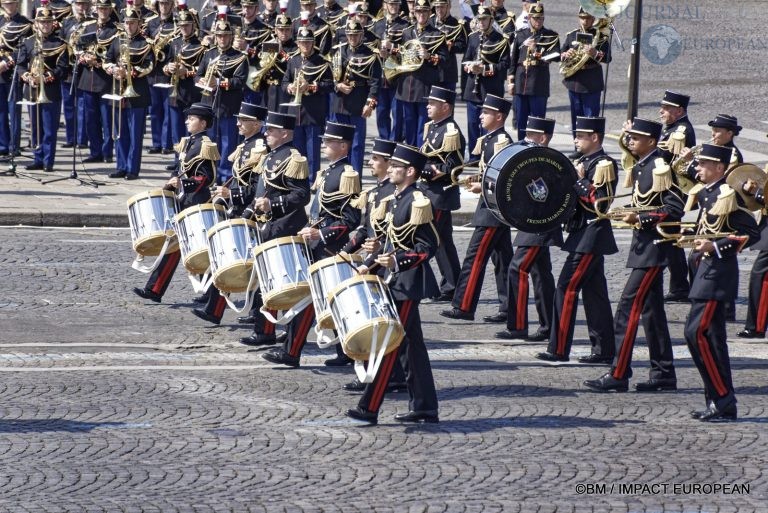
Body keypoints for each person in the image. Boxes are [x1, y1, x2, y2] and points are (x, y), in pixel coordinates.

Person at [583, 118, 683, 390]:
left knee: (627, 309)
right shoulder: (643, 166)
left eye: (636, 138)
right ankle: (664, 374)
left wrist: (640, 218)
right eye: (630, 137)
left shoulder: (659, 167)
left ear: (651, 141)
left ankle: (618, 373)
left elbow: (674, 208)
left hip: (654, 250)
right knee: (652, 313)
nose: (630, 142)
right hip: (644, 249)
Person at [346, 143, 440, 425]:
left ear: (410, 171)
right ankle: (424, 407)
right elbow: (392, 241)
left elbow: (427, 246)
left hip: (407, 283)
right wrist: (373, 256)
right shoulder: (397, 198)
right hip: (392, 280)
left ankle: (369, 408)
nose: (391, 169)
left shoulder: (418, 201)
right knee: (411, 347)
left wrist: (399, 261)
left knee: (390, 341)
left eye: (397, 166)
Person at [261, 121, 361, 368]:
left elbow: (350, 220)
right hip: (316, 243)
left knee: (324, 300)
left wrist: (321, 234)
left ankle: (296, 352)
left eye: (329, 142)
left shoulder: (347, 175)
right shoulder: (329, 171)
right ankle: (305, 351)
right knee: (317, 299)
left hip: (330, 247)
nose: (324, 145)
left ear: (343, 145)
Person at [682, 144, 759, 421]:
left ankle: (722, 398)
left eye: (703, 165)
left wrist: (714, 247)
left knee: (695, 334)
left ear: (719, 168)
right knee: (713, 340)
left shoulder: (729, 195)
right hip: (704, 274)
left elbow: (748, 233)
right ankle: (719, 402)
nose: (698, 168)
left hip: (717, 275)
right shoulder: (707, 193)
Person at [534, 117, 617, 364]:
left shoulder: (604, 164)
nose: (575, 140)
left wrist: (580, 180)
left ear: (595, 137)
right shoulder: (582, 161)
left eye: (581, 136)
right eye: (575, 135)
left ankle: (558, 348)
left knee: (566, 288)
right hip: (581, 233)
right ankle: (603, 350)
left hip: (591, 234)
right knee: (596, 295)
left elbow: (600, 203)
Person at [190, 103, 270, 327]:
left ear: (256, 123)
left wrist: (231, 193)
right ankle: (214, 310)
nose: (237, 124)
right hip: (238, 208)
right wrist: (224, 195)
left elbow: (256, 187)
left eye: (243, 121)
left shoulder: (259, 148)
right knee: (225, 260)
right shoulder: (247, 145)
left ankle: (255, 312)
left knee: (252, 265)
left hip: (252, 212)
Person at [340, 137, 408, 393]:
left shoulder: (393, 194)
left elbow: (388, 238)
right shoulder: (375, 191)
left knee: (378, 324)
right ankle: (391, 375)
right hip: (373, 263)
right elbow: (364, 229)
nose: (371, 162)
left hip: (383, 267)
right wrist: (345, 253)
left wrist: (369, 262)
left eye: (376, 159)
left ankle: (383, 377)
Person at [133, 103, 219, 303]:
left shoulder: (205, 145)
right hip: (183, 201)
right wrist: (170, 186)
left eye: (192, 118)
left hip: (197, 202)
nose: (187, 121)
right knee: (172, 247)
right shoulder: (188, 142)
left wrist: (183, 183)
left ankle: (209, 292)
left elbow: (207, 177)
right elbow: (179, 169)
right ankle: (154, 289)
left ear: (203, 123)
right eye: (188, 118)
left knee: (199, 249)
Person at [441, 94, 512, 323]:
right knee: (503, 261)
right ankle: (509, 307)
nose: (480, 116)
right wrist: (477, 179)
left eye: (486, 112)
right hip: (492, 208)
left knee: (475, 257)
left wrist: (481, 186)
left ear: (498, 116)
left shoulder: (500, 140)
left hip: (491, 211)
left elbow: (502, 176)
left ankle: (464, 305)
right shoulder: (490, 138)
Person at [508, 116, 561, 344]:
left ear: (543, 137)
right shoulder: (531, 159)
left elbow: (541, 195)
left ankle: (518, 325)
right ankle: (549, 325)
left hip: (540, 225)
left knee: (517, 268)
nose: (526, 138)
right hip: (531, 224)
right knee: (541, 275)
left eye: (531, 135)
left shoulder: (548, 162)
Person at [418, 86, 464, 302]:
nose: (428, 106)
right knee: (442, 242)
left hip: (439, 195)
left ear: (445, 107)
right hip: (429, 192)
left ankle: (429, 286)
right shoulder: (434, 127)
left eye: (433, 103)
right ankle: (452, 285)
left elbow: (454, 168)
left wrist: (435, 172)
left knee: (429, 240)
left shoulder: (450, 132)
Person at [382, 0, 448, 147]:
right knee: (409, 123)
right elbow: (401, 54)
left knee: (422, 126)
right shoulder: (407, 32)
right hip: (406, 86)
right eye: (419, 12)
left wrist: (429, 56)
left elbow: (445, 60)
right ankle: (409, 156)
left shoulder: (437, 35)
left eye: (424, 12)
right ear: (415, 13)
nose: (422, 15)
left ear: (429, 13)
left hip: (424, 85)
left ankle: (420, 157)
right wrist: (388, 50)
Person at [195, 10, 248, 184]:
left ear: (231, 37)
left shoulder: (240, 57)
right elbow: (198, 74)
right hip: (209, 105)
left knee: (227, 144)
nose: (222, 39)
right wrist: (202, 79)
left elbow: (240, 81)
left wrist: (218, 82)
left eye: (225, 36)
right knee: (209, 143)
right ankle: (208, 175)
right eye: (219, 36)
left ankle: (225, 177)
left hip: (228, 107)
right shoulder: (209, 54)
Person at [105, 4, 154, 180]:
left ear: (139, 24)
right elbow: (107, 60)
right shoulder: (116, 40)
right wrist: (112, 69)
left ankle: (133, 169)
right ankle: (121, 166)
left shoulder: (145, 43)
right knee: (120, 132)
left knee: (135, 134)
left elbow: (149, 65)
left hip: (137, 93)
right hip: (118, 91)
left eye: (132, 23)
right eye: (126, 22)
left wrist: (131, 72)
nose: (129, 26)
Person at [18, 6, 68, 173]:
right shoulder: (28, 42)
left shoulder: (59, 43)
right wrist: (26, 75)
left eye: (48, 22)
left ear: (53, 24)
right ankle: (37, 158)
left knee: (49, 128)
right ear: (36, 23)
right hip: (32, 89)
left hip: (50, 91)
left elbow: (62, 68)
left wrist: (47, 77)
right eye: (42, 22)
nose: (45, 25)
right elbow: (20, 64)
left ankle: (48, 161)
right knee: (35, 128)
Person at [281, 25, 334, 182]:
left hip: (313, 112)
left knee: (312, 151)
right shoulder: (293, 61)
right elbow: (285, 81)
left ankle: (312, 180)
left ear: (313, 43)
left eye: (308, 42)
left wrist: (312, 87)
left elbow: (330, 85)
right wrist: (290, 87)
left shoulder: (321, 62)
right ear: (298, 43)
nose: (305, 45)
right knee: (296, 149)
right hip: (296, 113)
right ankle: (298, 179)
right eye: (302, 42)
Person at [657, 90, 695, 303]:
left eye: (667, 108)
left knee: (671, 240)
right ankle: (679, 285)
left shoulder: (681, 130)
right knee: (670, 240)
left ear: (679, 110)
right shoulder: (672, 127)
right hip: (667, 190)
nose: (661, 111)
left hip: (672, 191)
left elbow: (665, 158)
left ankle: (680, 286)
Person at [330, 20, 381, 174]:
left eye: (356, 35)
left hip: (358, 102)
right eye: (350, 35)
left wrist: (370, 104)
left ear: (362, 35)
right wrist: (337, 85)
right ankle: (339, 177)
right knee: (338, 143)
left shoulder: (370, 54)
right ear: (346, 35)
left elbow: (375, 82)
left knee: (357, 145)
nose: (353, 38)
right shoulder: (338, 51)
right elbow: (329, 76)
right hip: (340, 103)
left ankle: (355, 178)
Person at [560, 7, 611, 159]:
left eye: (588, 18)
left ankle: (593, 149)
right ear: (578, 18)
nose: (585, 21)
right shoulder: (571, 35)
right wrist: (565, 54)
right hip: (574, 81)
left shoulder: (600, 36)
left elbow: (608, 58)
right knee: (576, 116)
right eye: (583, 18)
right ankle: (578, 147)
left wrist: (594, 53)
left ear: (593, 18)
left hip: (591, 81)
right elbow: (562, 54)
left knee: (590, 118)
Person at [461, 3, 509, 157]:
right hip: (473, 90)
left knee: (488, 126)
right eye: (479, 19)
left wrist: (485, 69)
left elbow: (504, 64)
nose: (481, 22)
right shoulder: (473, 38)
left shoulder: (500, 39)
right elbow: (466, 60)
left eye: (484, 19)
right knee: (473, 124)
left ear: (491, 20)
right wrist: (470, 67)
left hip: (490, 89)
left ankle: (486, 155)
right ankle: (474, 156)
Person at [507, 2, 559, 141]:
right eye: (535, 18)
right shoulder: (521, 34)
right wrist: (511, 81)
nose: (538, 21)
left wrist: (537, 51)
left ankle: (536, 149)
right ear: (529, 18)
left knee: (537, 122)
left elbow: (556, 55)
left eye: (541, 18)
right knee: (521, 121)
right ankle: (520, 148)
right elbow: (513, 59)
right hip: (521, 82)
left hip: (538, 84)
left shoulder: (550, 36)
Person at [164, 5, 205, 172]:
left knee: (191, 130)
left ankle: (190, 160)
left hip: (191, 93)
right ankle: (178, 160)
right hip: (175, 92)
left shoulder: (200, 45)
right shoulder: (174, 43)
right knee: (176, 131)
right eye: (181, 26)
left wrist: (185, 72)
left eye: (187, 26)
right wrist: (168, 68)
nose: (184, 29)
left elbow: (202, 69)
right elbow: (165, 64)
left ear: (193, 26)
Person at [77, 0, 117, 164]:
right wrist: (83, 56)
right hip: (88, 79)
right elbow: (78, 46)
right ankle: (95, 151)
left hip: (105, 80)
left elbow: (116, 53)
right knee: (90, 119)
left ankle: (107, 152)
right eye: (101, 8)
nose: (104, 11)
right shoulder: (88, 27)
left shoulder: (115, 29)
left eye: (106, 9)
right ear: (96, 9)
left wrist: (99, 62)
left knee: (107, 119)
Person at [370, 0, 407, 140]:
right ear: (385, 5)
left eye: (396, 4)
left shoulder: (405, 26)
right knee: (381, 113)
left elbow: (407, 49)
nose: (394, 7)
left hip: (397, 77)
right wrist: (379, 51)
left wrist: (392, 48)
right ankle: (384, 143)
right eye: (391, 4)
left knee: (397, 113)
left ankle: (394, 142)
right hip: (381, 76)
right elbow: (371, 46)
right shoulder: (378, 24)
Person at [0, 0, 32, 159]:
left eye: (12, 3)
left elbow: (23, 48)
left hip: (12, 72)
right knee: (0, 112)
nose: (9, 6)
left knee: (14, 111)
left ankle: (14, 145)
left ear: (17, 4)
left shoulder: (24, 23)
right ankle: (2, 144)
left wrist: (6, 63)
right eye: (6, 3)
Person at [59, 0, 92, 151]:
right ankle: (70, 137)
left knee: (82, 106)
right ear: (73, 6)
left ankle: (82, 138)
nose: (82, 7)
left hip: (85, 69)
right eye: (79, 4)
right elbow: (61, 44)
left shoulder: (92, 22)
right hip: (69, 69)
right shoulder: (66, 22)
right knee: (68, 105)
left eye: (85, 4)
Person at [145, 0, 176, 155]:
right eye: (162, 3)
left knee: (167, 110)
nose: (164, 6)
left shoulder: (176, 23)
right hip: (152, 72)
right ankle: (156, 142)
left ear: (172, 5)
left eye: (167, 3)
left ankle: (166, 143)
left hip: (167, 72)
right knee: (155, 110)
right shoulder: (151, 24)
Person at [430, 0, 466, 92]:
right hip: (430, 70)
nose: (439, 10)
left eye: (442, 7)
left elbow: (462, 46)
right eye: (437, 7)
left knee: (447, 104)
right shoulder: (430, 21)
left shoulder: (456, 23)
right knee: (431, 104)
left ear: (448, 6)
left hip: (448, 71)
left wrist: (451, 46)